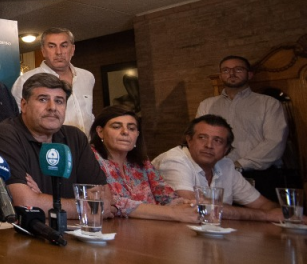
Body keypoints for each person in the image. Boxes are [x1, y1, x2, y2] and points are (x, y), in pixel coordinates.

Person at [0, 73, 108, 217]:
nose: (52, 107)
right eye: (43, 99)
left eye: (59, 101)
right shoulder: (4, 136)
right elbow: (24, 202)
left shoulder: (76, 137)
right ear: (24, 105)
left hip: (78, 232)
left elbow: (105, 200)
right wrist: (88, 207)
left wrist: (42, 200)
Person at [152, 115, 283, 222]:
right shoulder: (174, 160)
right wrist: (265, 216)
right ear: (189, 140)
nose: (209, 145)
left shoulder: (226, 164)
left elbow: (264, 205)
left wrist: (278, 213)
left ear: (226, 149)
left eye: (218, 141)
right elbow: (196, 207)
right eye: (202, 137)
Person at [196, 55, 288, 197]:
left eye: (238, 69)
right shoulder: (207, 104)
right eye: (226, 70)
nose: (231, 74)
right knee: (219, 216)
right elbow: (200, 138)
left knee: (264, 216)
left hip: (259, 175)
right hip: (218, 175)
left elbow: (275, 141)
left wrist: (239, 164)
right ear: (221, 75)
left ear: (250, 74)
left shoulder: (268, 103)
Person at [89, 106, 198, 222]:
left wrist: (185, 204)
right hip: (112, 231)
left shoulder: (142, 162)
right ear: (100, 132)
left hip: (151, 230)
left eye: (131, 128)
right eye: (116, 127)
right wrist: (172, 213)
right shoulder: (90, 157)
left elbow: (164, 193)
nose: (125, 132)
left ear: (137, 135)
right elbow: (110, 201)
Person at [11, 28, 95, 133]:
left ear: (72, 49)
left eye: (64, 46)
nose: (59, 52)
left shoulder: (87, 77)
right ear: (43, 51)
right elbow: (17, 120)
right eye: (52, 46)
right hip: (47, 146)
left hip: (85, 145)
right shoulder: (25, 80)